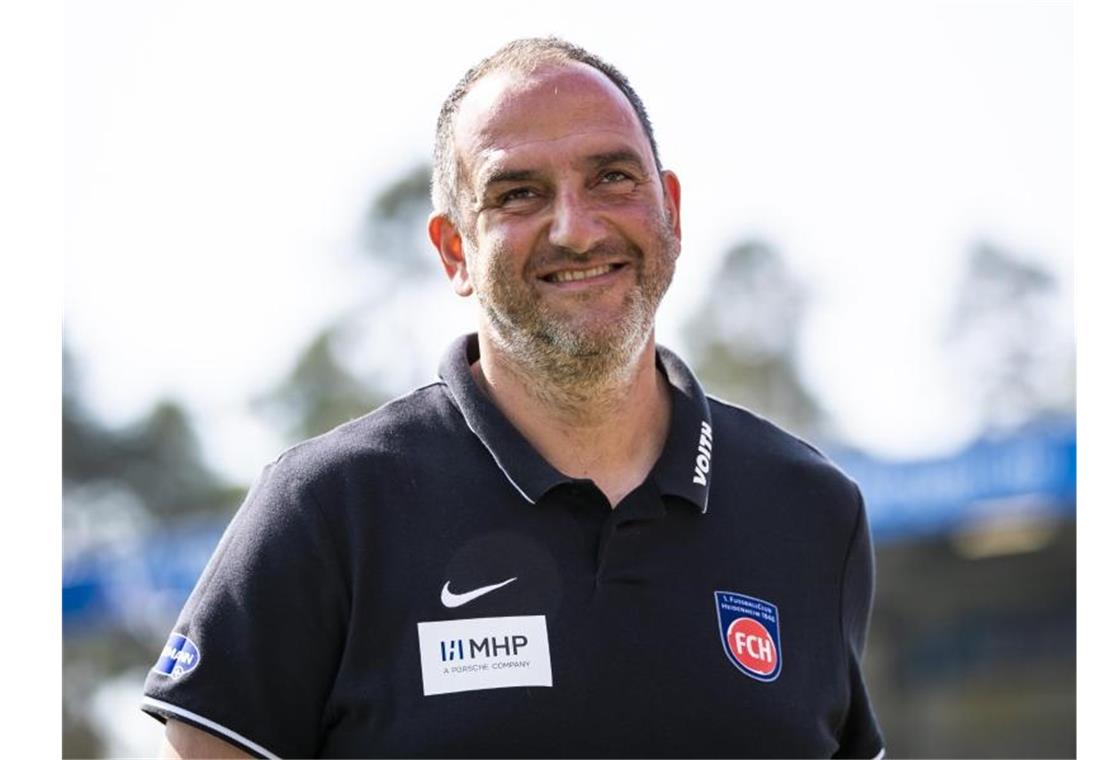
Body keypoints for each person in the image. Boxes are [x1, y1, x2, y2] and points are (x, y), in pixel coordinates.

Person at [141, 37, 884, 759]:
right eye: (519, 193)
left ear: (672, 212)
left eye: (612, 178)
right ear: (454, 251)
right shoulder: (328, 507)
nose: (576, 228)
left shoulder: (814, 513)